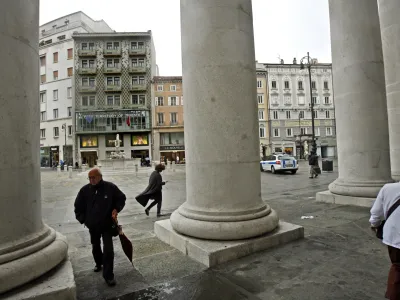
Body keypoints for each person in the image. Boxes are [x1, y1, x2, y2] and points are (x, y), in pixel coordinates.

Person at [74, 168, 126, 287]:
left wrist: (116, 209)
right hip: (93, 226)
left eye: (93, 177)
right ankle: (98, 263)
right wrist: (84, 220)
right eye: (89, 178)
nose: (91, 180)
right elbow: (78, 206)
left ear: (100, 177)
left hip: (107, 225)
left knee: (108, 250)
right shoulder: (84, 190)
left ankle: (109, 276)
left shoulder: (110, 187)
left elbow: (121, 198)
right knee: (95, 246)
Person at [370, 183, 400, 299]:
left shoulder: (388, 188)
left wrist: (374, 224)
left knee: (397, 267)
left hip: (395, 236)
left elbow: (376, 213)